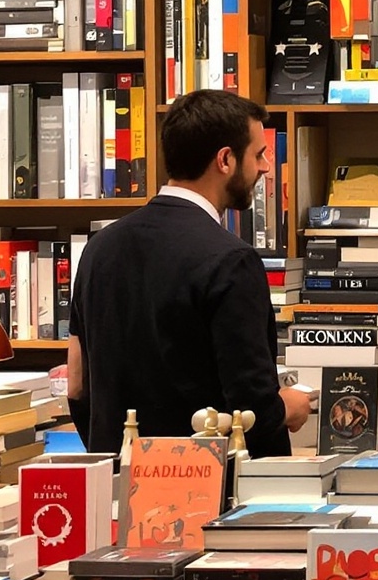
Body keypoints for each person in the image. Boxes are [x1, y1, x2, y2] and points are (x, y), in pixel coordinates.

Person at [67, 89, 315, 457]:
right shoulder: (232, 260)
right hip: (210, 490)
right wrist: (288, 407)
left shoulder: (98, 248)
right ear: (225, 160)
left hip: (120, 480)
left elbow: (77, 384)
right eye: (259, 154)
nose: (265, 167)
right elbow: (252, 408)